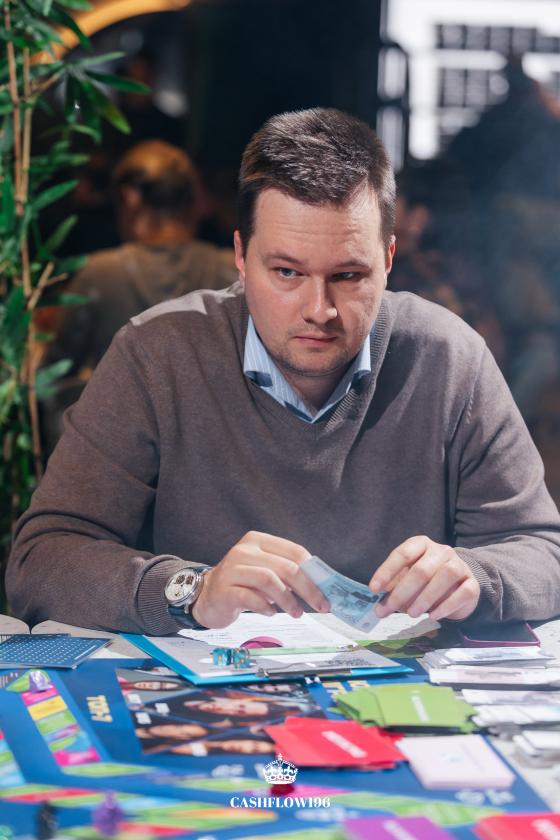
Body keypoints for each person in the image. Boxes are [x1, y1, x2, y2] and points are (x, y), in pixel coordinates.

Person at [7, 108, 560, 634]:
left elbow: (543, 552)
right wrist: (192, 590)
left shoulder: (449, 357)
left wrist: (477, 577)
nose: (319, 310)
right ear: (241, 257)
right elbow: (41, 560)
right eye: (287, 272)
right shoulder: (157, 354)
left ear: (388, 259)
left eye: (348, 275)